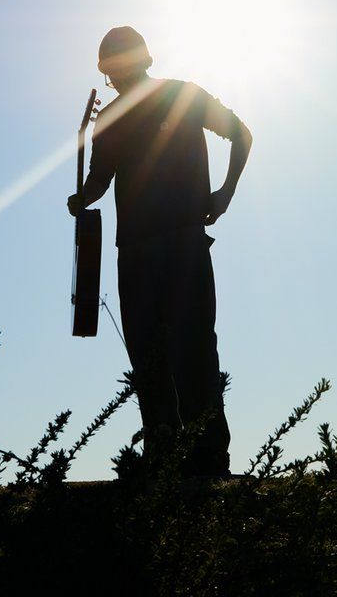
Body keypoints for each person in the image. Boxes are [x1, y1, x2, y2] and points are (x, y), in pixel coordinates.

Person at [67, 26, 251, 476]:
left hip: (148, 251)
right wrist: (222, 194)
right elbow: (242, 135)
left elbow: (96, 185)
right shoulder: (178, 97)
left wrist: (81, 199)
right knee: (183, 352)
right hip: (168, 247)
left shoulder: (121, 117)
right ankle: (193, 460)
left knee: (159, 356)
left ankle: (178, 459)